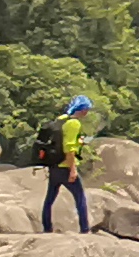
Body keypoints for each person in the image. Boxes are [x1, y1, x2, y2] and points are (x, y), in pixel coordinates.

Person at [34, 91, 100, 234]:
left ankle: (47, 228)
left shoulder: (61, 119)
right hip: (65, 166)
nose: (87, 112)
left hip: (53, 165)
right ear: (83, 110)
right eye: (87, 109)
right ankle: (84, 229)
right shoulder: (74, 123)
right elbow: (69, 148)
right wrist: (73, 170)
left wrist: (79, 141)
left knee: (49, 199)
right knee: (80, 198)